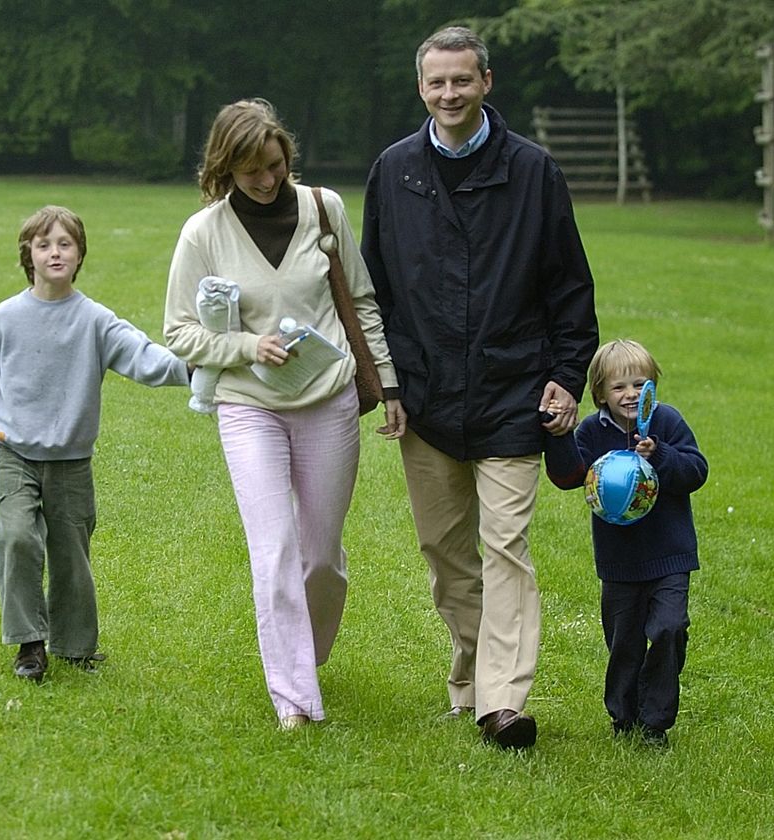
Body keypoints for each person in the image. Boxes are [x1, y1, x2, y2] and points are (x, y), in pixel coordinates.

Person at [360, 26, 599, 750]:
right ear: (420, 87)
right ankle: (471, 677)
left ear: (487, 82)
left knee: (506, 547)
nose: (450, 93)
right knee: (446, 555)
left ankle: (503, 702)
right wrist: (388, 382)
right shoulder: (394, 171)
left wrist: (566, 377)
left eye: (462, 80)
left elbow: (570, 288)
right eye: (437, 82)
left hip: (512, 393)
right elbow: (375, 292)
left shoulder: (533, 171)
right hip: (426, 398)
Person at [164, 99, 406, 730]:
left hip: (329, 398)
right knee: (273, 550)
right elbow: (179, 331)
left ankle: (308, 653)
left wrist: (389, 383)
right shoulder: (203, 233)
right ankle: (294, 697)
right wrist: (248, 346)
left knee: (321, 557)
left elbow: (362, 301)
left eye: (275, 165)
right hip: (249, 407)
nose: (267, 180)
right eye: (252, 172)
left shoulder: (325, 209)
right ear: (225, 169)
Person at [0, 205, 189, 683]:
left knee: (71, 553)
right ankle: (30, 644)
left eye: (65, 244)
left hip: (72, 461)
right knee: (17, 538)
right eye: (44, 244)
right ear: (28, 256)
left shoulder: (94, 320)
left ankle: (74, 646)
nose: (55, 252)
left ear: (79, 255)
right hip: (15, 454)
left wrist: (195, 368)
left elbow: (145, 357)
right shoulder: (4, 319)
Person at [542, 339, 708, 747]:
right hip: (619, 561)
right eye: (618, 387)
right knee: (623, 643)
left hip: (670, 556)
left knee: (669, 628)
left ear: (652, 386)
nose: (630, 394)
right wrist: (559, 436)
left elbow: (696, 471)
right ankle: (624, 715)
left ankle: (655, 722)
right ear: (600, 394)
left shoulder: (666, 421)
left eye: (639, 384)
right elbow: (567, 477)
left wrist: (660, 456)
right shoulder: (591, 431)